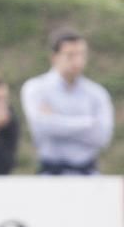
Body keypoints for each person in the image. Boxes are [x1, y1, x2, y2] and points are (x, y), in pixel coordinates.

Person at [21, 28, 114, 175]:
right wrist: (88, 123)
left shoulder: (97, 93)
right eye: (70, 55)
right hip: (51, 175)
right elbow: (41, 127)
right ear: (54, 57)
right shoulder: (36, 88)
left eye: (81, 55)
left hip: (88, 175)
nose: (77, 61)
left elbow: (102, 137)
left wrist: (55, 121)